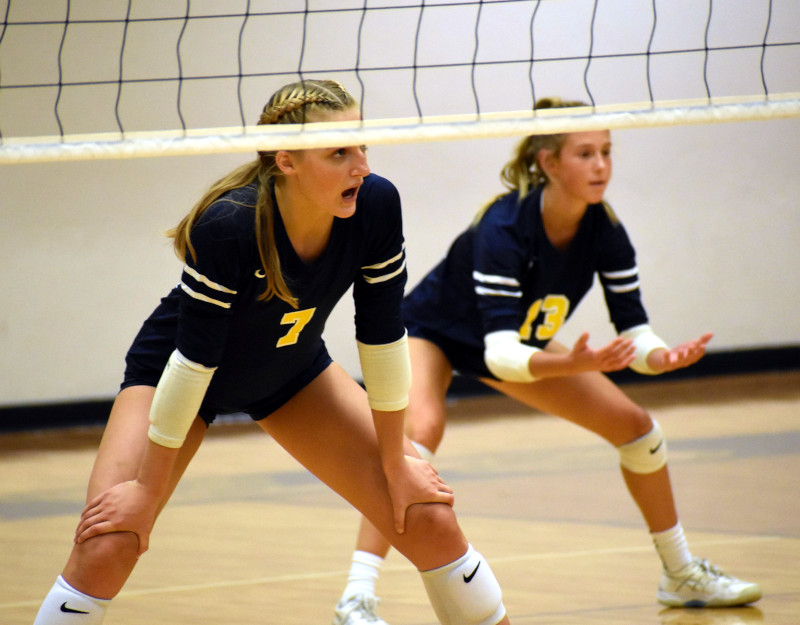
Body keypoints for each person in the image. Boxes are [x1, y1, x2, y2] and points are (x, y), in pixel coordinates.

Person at [31, 79, 511, 625]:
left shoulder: (377, 205)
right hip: (177, 377)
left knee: (427, 517)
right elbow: (194, 364)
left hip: (291, 371)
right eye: (339, 153)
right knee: (109, 543)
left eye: (362, 146)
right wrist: (146, 488)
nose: (362, 166)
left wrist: (396, 457)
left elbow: (381, 334)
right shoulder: (231, 223)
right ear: (286, 161)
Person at [332, 97, 762, 625]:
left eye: (606, 152)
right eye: (585, 154)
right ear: (550, 163)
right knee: (417, 435)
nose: (601, 165)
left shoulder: (604, 229)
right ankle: (358, 596)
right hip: (436, 329)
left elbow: (635, 330)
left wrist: (660, 357)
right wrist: (578, 363)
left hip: (515, 338)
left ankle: (680, 574)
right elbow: (503, 356)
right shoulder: (505, 226)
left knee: (639, 430)